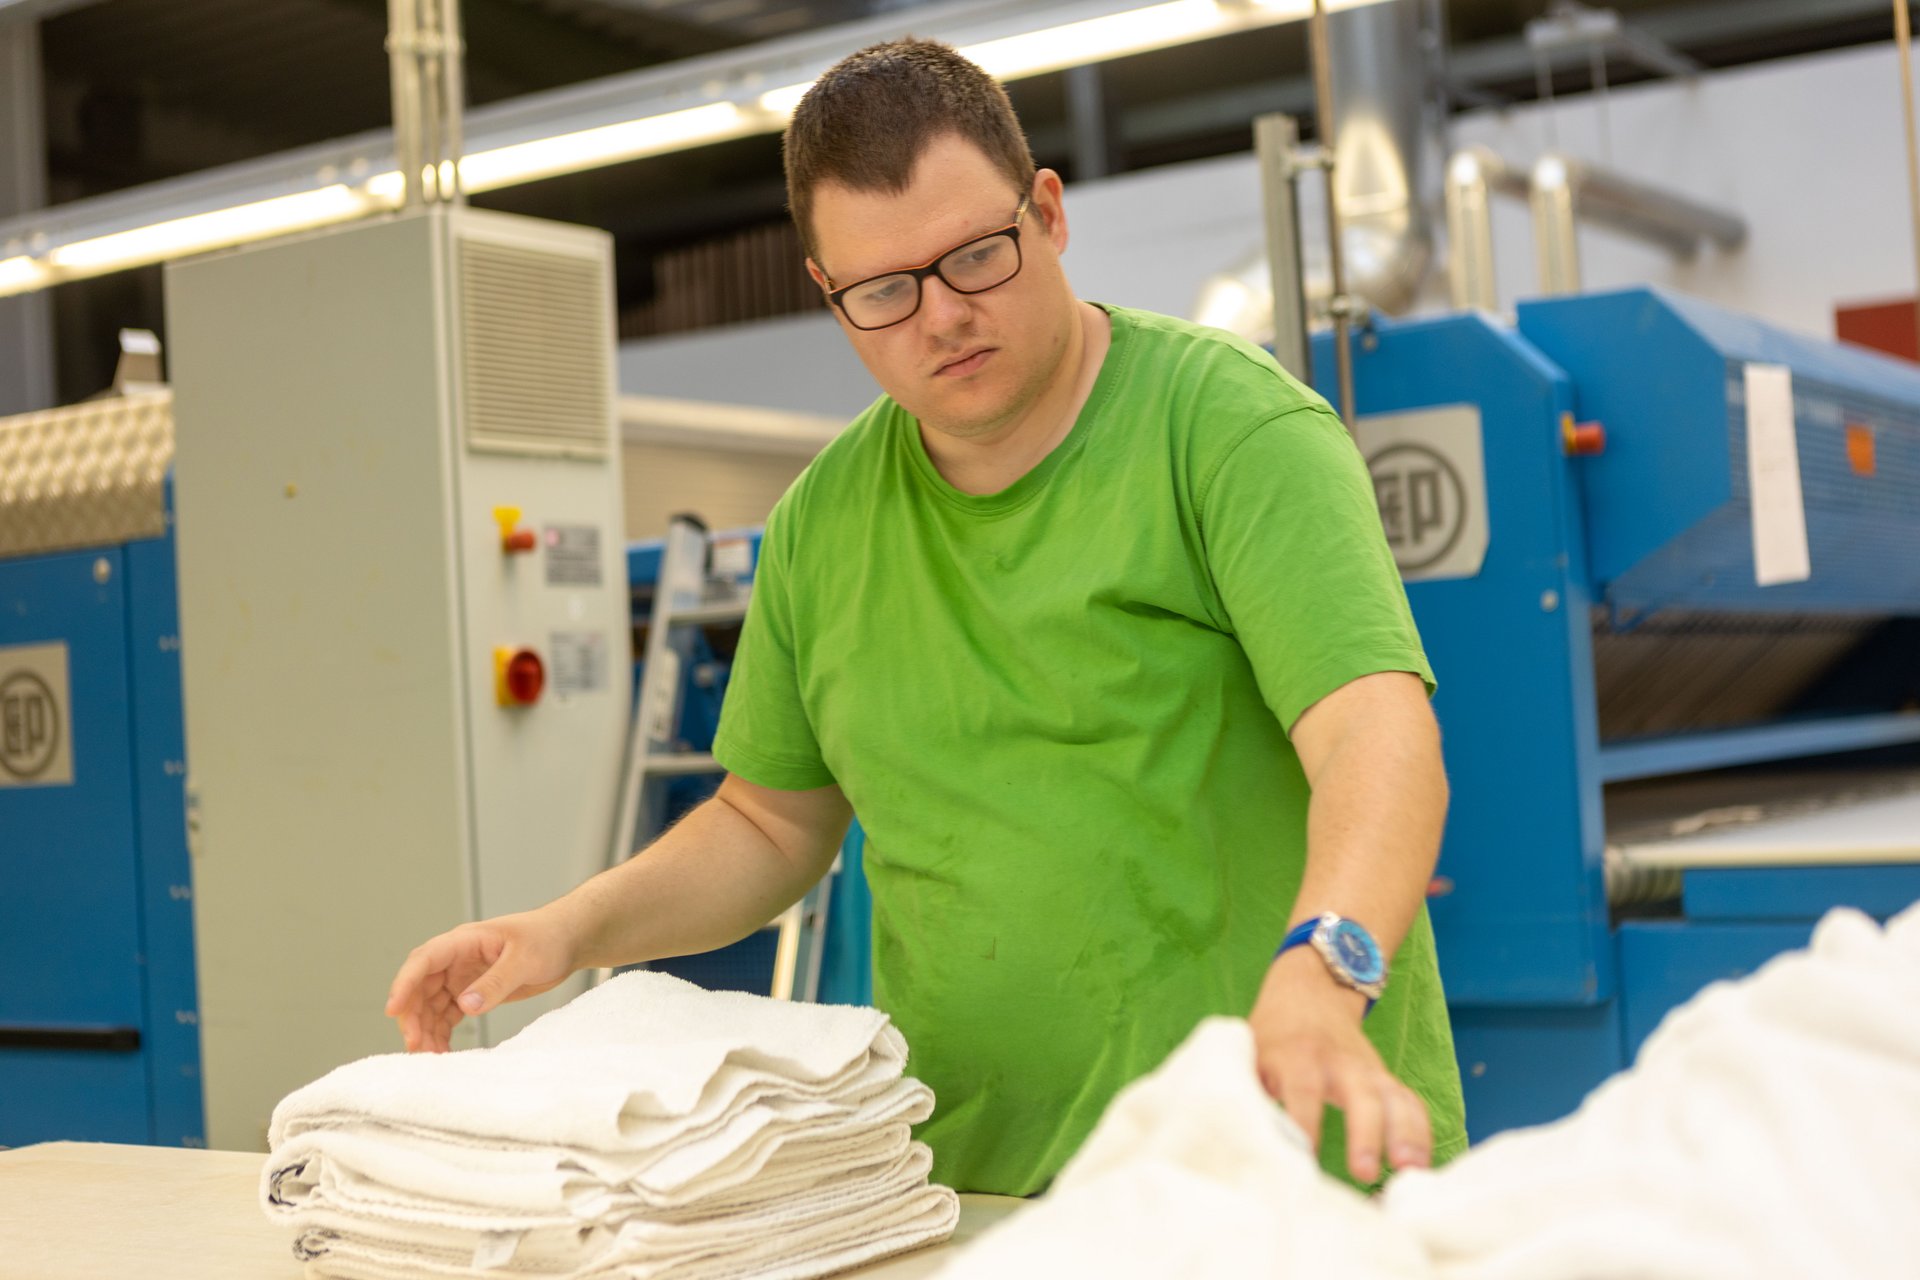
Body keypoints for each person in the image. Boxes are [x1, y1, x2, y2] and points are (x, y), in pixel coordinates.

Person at [386, 37, 1466, 1198]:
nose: (942, 316)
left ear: (1047, 213)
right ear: (828, 292)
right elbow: (766, 824)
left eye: (976, 257)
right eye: (885, 291)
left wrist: (1324, 971)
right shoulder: (822, 524)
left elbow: (1375, 734)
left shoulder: (1229, 432)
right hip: (981, 1200)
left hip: (1283, 1181)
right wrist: (566, 930)